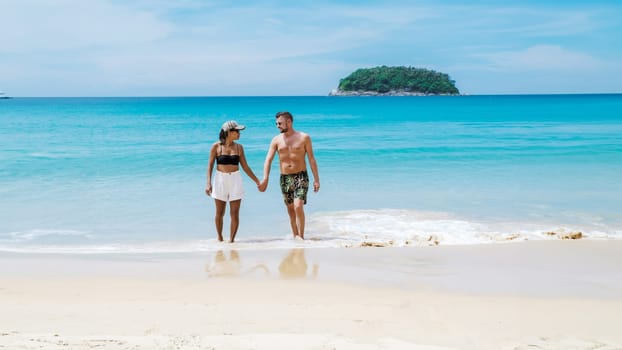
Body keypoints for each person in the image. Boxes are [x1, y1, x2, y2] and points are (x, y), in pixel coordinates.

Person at [259, 111, 320, 239]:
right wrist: (265, 178)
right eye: (276, 123)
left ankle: (301, 237)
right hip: (285, 178)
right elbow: (268, 160)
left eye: (280, 123)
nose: (277, 126)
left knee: (298, 206)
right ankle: (295, 237)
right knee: (291, 210)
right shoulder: (276, 140)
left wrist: (316, 179)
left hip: (301, 176)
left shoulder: (304, 137)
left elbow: (312, 159)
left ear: (289, 122)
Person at [205, 121, 260, 243]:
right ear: (229, 132)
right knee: (220, 213)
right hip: (220, 179)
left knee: (234, 213)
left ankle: (231, 241)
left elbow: (245, 167)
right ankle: (219, 238)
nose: (239, 134)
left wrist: (257, 181)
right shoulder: (216, 147)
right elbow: (209, 166)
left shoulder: (239, 147)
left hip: (236, 180)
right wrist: (208, 183)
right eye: (237, 131)